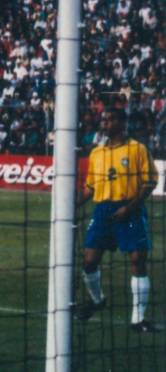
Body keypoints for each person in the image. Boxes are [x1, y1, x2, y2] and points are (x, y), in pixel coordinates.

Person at [76, 107, 157, 331]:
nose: (105, 123)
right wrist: (72, 204)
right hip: (103, 210)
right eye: (104, 119)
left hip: (130, 208)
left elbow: (150, 182)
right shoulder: (96, 153)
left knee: (137, 260)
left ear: (122, 123)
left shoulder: (137, 149)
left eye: (110, 119)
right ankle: (98, 300)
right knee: (88, 261)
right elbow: (90, 187)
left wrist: (129, 208)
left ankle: (138, 319)